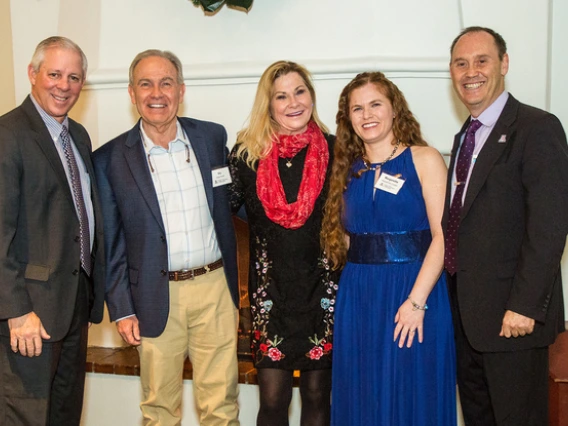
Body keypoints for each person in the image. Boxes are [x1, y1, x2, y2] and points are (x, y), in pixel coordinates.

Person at [92, 49, 240, 426]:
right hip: (154, 297)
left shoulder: (210, 137)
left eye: (166, 82)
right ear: (131, 93)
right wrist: (122, 307)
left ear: (181, 90)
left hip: (215, 289)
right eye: (146, 83)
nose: (156, 93)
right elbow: (110, 242)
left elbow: (234, 201)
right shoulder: (109, 159)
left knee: (221, 404)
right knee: (159, 408)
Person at [445, 26, 568, 426]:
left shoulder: (537, 128)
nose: (470, 72)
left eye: (482, 61)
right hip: (468, 320)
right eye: (461, 63)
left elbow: (550, 225)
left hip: (513, 320)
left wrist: (525, 305)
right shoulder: (465, 135)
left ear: (504, 64)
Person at [321, 71, 456, 425]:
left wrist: (416, 302)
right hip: (360, 297)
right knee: (363, 393)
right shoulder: (347, 171)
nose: (367, 115)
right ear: (348, 119)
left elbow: (444, 237)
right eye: (357, 108)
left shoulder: (425, 159)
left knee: (411, 391)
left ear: (395, 108)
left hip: (414, 293)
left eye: (375, 104)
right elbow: (350, 239)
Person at [0, 36, 105, 426]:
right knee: (26, 417)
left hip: (74, 303)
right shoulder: (7, 135)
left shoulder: (77, 134)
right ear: (32, 74)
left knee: (64, 415)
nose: (64, 85)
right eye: (55, 74)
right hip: (30, 313)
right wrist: (17, 311)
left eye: (74, 77)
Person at [228, 60, 339, 426]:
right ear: (269, 103)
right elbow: (217, 213)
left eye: (299, 91)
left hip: (324, 293)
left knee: (317, 396)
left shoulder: (338, 151)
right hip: (270, 295)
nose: (293, 102)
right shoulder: (246, 155)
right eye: (281, 96)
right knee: (273, 401)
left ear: (311, 95)